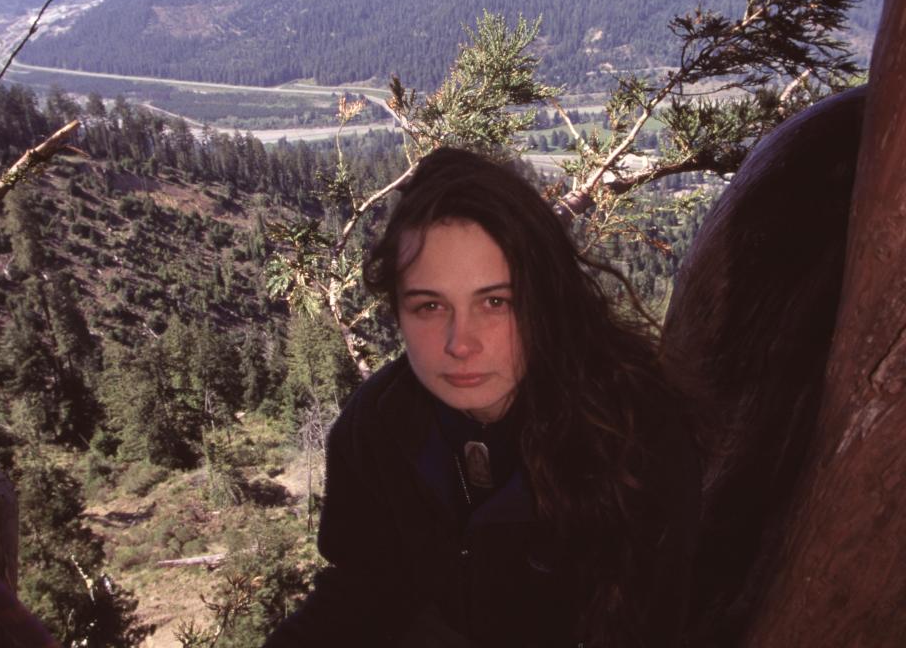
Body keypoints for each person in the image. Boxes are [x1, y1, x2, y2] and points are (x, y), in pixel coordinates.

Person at [265, 147, 701, 648]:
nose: (460, 343)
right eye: (430, 306)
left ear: (545, 299)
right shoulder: (378, 427)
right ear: (398, 313)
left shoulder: (632, 438)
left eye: (495, 302)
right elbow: (363, 590)